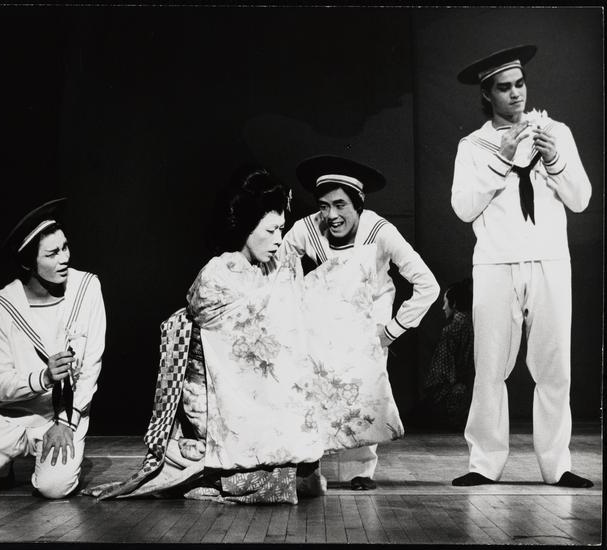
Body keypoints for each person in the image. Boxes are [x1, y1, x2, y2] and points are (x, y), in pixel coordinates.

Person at [86, 166, 407, 503]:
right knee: (276, 475)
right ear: (245, 226)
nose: (279, 239)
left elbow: (295, 317)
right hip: (218, 399)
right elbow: (243, 347)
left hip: (262, 396)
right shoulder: (218, 274)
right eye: (270, 230)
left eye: (281, 229)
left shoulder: (276, 265)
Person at [450, 45, 592, 487]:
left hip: (549, 260)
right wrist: (500, 159)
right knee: (491, 367)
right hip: (496, 263)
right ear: (487, 95)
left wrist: (555, 160)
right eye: (504, 88)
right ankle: (484, 463)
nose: (516, 94)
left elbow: (581, 200)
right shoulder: (473, 146)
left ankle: (557, 465)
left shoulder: (555, 132)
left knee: (555, 368)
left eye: (520, 84)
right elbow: (463, 208)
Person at [281, 155, 440, 490]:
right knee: (314, 395)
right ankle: (309, 469)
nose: (332, 215)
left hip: (368, 327)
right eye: (324, 206)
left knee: (363, 397)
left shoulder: (381, 231)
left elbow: (428, 284)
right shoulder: (306, 229)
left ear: (359, 202)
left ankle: (360, 472)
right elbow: (278, 267)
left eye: (340, 205)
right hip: (323, 325)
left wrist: (391, 331)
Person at [0, 199, 106, 499]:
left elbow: (91, 365)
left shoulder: (87, 288)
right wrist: (43, 378)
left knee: (53, 488)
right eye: (52, 253)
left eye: (65, 247)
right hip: (8, 418)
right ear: (28, 263)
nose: (65, 258)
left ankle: (54, 457)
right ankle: (1, 466)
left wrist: (66, 423)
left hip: (60, 415)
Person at [414, 279, 474, 431]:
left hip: (455, 397)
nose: (443, 307)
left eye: (445, 302)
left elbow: (440, 374)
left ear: (454, 304)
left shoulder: (451, 330)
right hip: (477, 395)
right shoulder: (477, 325)